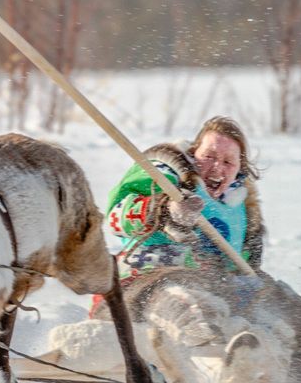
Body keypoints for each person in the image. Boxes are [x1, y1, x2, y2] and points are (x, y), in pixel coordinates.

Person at [104, 116, 264, 283]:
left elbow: (246, 264)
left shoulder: (242, 208)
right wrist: (163, 208)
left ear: (239, 169)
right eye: (209, 156)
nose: (217, 168)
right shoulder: (164, 177)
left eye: (228, 162)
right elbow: (116, 218)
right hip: (151, 272)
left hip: (222, 286)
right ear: (194, 154)